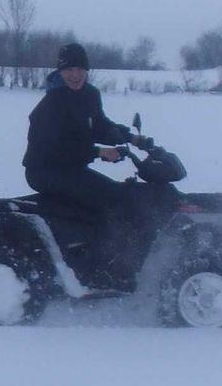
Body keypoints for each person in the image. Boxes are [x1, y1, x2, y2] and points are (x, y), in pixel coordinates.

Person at [22, 43, 147, 271]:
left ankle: (95, 248)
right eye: (69, 70)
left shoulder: (89, 94)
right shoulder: (51, 104)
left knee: (117, 194)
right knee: (111, 199)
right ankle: (103, 262)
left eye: (80, 69)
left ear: (86, 70)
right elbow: (55, 148)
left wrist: (131, 138)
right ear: (60, 71)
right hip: (44, 170)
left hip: (70, 168)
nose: (75, 75)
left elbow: (99, 125)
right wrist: (98, 152)